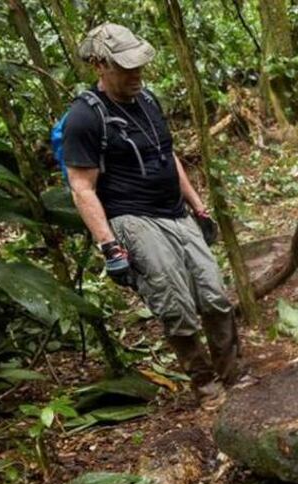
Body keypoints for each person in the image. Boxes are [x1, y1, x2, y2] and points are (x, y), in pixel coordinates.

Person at [63, 23, 241, 408]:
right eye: (126, 68)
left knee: (214, 295)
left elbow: (167, 154)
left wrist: (197, 204)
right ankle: (205, 383)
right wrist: (109, 247)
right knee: (174, 303)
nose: (136, 74)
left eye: (139, 66)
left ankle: (231, 373)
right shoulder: (84, 118)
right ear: (99, 65)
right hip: (133, 218)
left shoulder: (147, 99)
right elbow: (82, 188)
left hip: (175, 211)